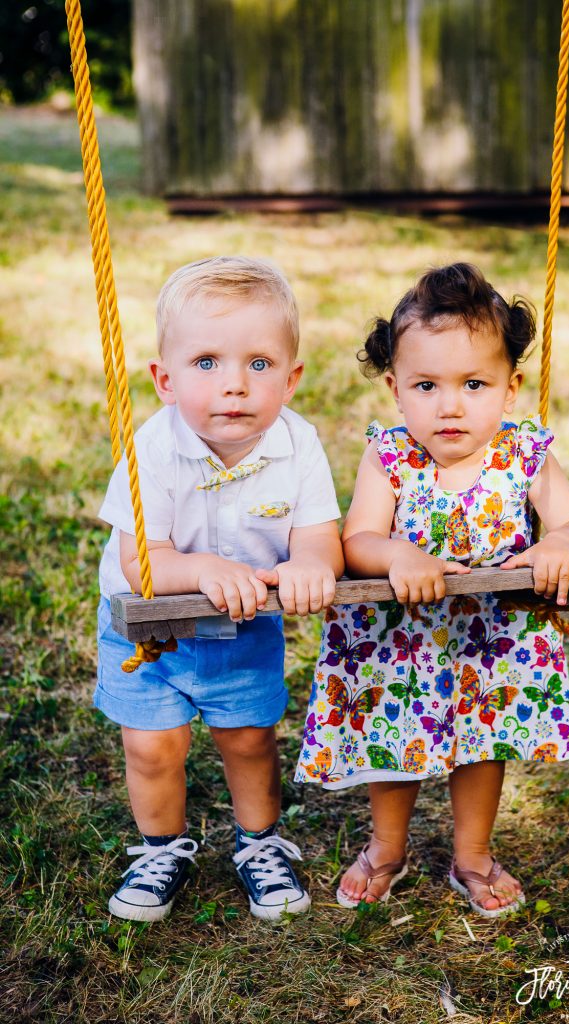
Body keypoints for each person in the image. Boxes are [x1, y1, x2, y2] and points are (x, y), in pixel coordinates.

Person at [295, 262, 569, 918]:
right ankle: (387, 847)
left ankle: (472, 854)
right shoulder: (389, 455)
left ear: (510, 387)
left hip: (491, 641)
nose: (451, 404)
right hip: (399, 639)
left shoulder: (523, 453)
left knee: (484, 742)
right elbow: (358, 540)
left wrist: (559, 542)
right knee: (392, 734)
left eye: (473, 383)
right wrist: (398, 554)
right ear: (395, 388)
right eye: (426, 385)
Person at [96, 256, 343, 922]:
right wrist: (203, 568)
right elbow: (141, 558)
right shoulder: (153, 446)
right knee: (153, 744)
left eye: (258, 365)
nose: (234, 385)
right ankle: (160, 848)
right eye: (206, 362)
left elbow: (319, 536)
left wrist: (309, 565)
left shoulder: (299, 446)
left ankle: (260, 844)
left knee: (249, 738)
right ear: (164, 379)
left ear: (291, 379)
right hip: (151, 631)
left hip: (243, 626)